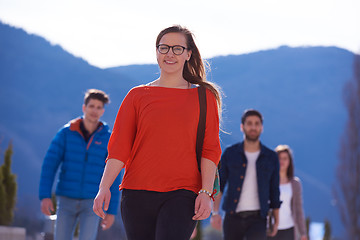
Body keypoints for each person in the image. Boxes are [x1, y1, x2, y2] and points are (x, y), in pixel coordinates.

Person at [93, 25, 222, 240]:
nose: (169, 54)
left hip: (183, 192)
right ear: (156, 52)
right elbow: (119, 147)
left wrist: (206, 192)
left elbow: (210, 148)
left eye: (177, 49)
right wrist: (104, 187)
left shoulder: (204, 97)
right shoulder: (137, 96)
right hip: (136, 192)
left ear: (188, 54)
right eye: (164, 48)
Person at [39, 89, 120, 240]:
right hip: (66, 200)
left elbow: (114, 176)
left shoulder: (108, 139)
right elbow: (49, 165)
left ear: (103, 111)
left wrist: (111, 210)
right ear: (84, 108)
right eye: (91, 106)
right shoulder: (66, 133)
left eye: (98, 107)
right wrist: (44, 195)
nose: (94, 111)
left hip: (92, 202)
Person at [211, 109, 281, 240]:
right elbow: (219, 185)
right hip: (232, 217)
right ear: (242, 127)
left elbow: (274, 191)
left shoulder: (271, 157)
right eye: (249, 123)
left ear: (261, 127)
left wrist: (276, 219)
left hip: (258, 219)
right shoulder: (230, 154)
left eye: (256, 123)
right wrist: (215, 212)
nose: (253, 127)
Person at [268, 145, 308, 240]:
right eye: (279, 158)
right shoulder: (268, 181)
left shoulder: (295, 184)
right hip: (271, 229)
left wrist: (303, 233)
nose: (282, 161)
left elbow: (298, 209)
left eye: (285, 158)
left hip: (289, 229)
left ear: (289, 161)